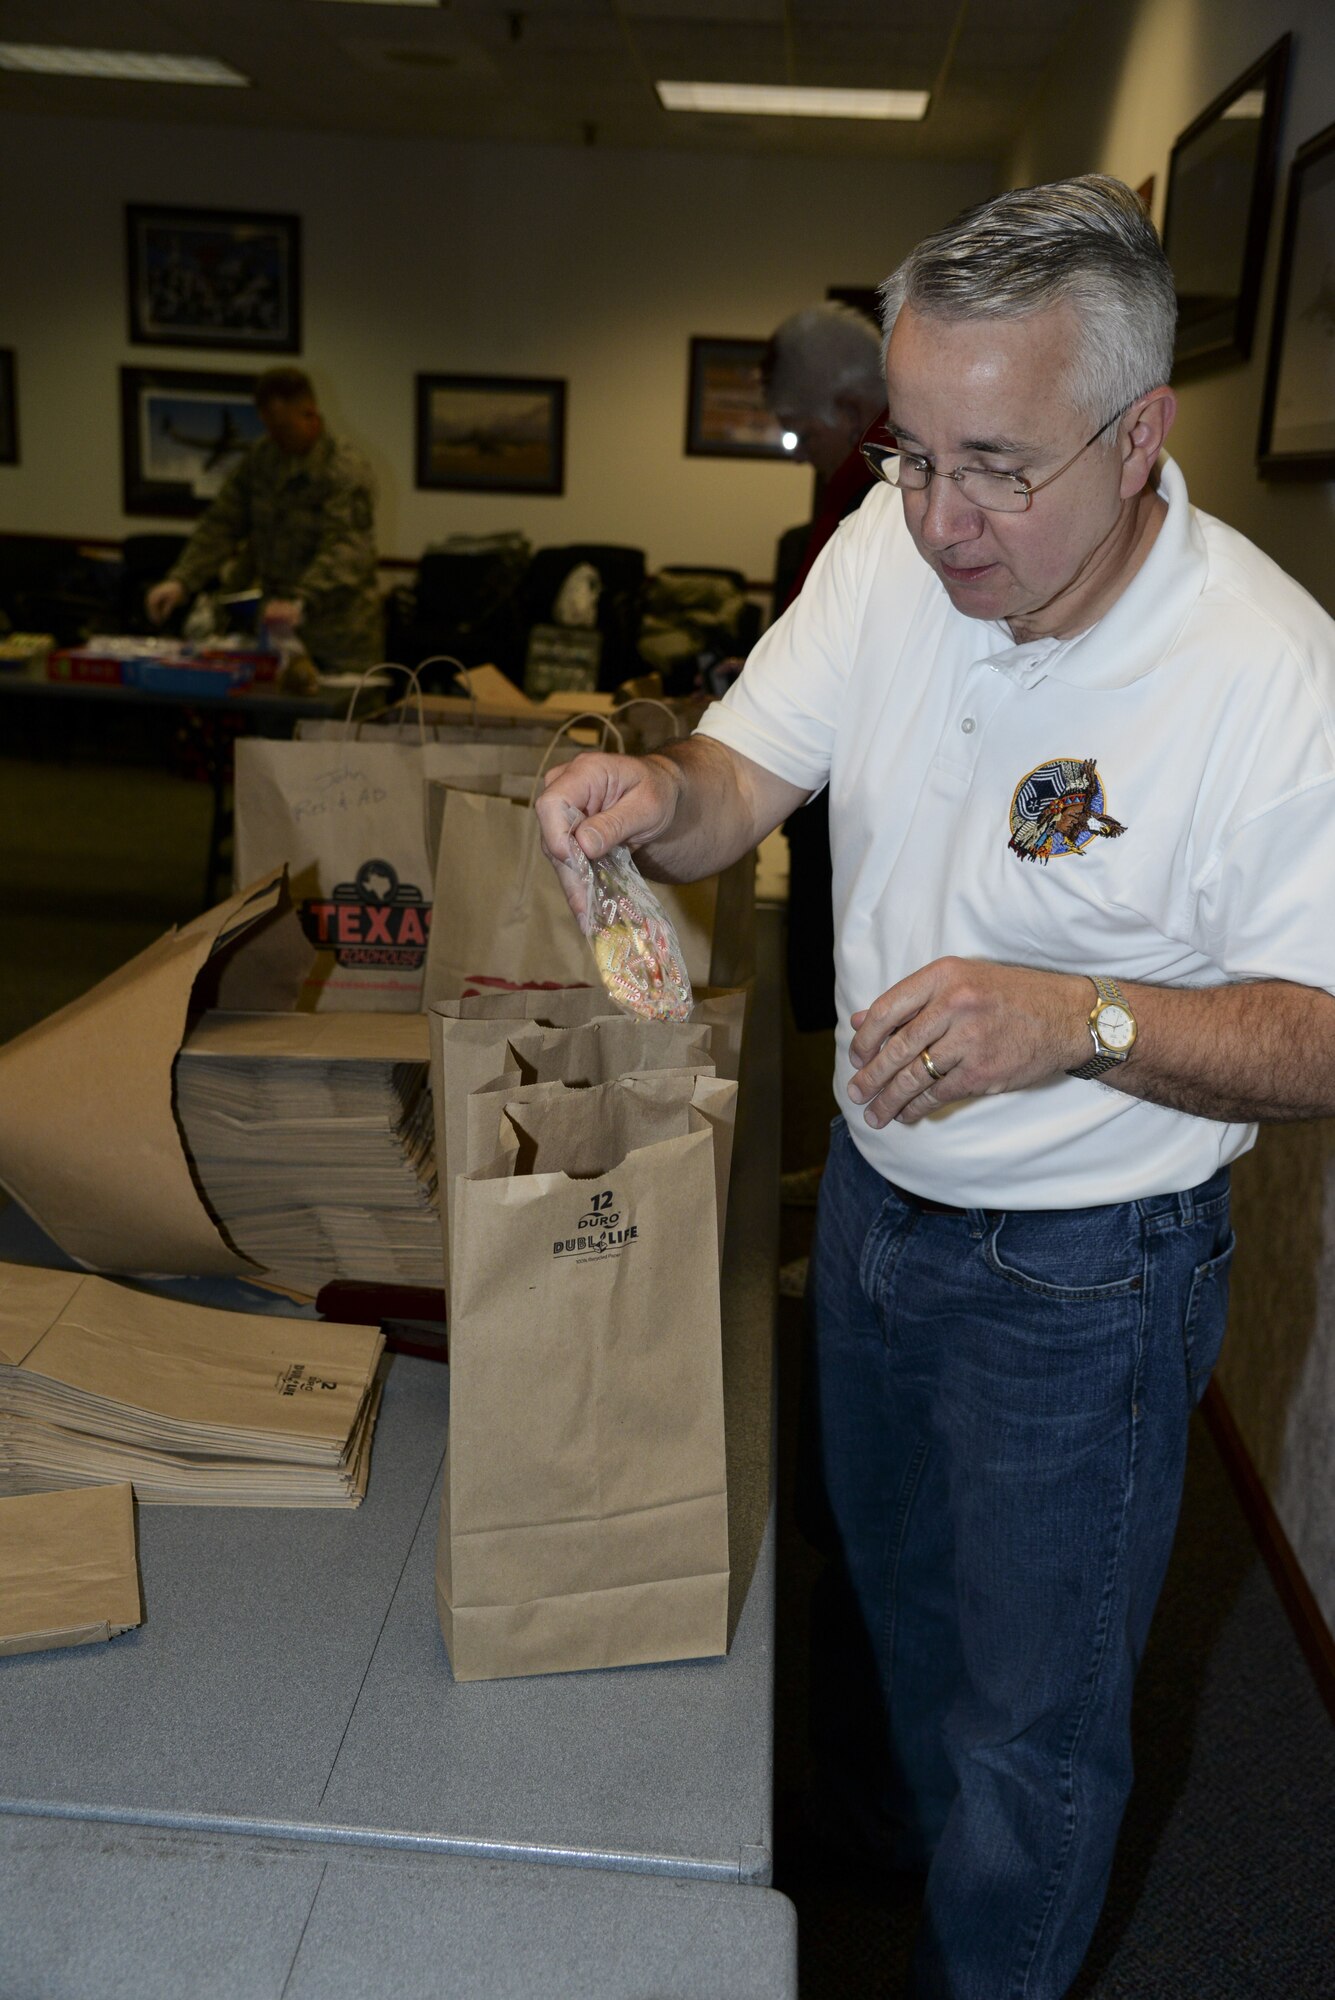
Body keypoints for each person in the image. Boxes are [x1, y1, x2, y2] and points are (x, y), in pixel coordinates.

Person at [537, 175, 1335, 1998]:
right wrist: (665, 798)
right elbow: (752, 768)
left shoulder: (1274, 682)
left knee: (1029, 1731)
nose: (939, 520)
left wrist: (1084, 1019)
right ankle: (864, 1870)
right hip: (883, 1203)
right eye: (909, 452)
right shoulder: (891, 550)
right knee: (875, 1592)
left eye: (996, 468)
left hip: (1089, 1270)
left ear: (1143, 437)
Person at [763, 304, 887, 1044]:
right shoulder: (850, 476)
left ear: (846, 408)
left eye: (799, 430)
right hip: (831, 770)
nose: (795, 449)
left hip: (850, 782)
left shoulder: (887, 483)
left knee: (834, 986)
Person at [145, 367, 383, 673]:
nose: (275, 437)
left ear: (310, 414)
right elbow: (222, 523)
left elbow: (347, 547)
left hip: (338, 638)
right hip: (276, 633)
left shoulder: (344, 468)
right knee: (273, 716)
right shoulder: (263, 459)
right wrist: (181, 580)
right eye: (268, 427)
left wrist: (301, 600)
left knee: (339, 719)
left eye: (282, 428)